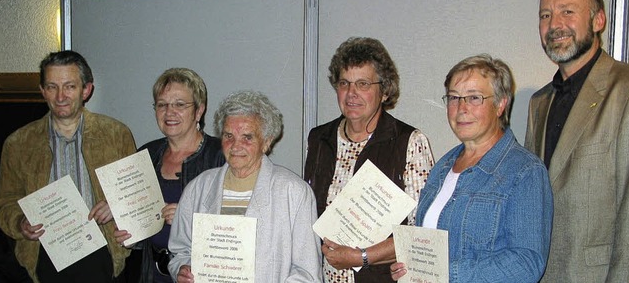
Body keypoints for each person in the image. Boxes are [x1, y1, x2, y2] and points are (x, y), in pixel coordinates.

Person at [391, 54, 553, 282]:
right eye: (454, 98)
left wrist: (447, 273)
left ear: (500, 104)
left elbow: (526, 264)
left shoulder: (525, 171)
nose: (461, 108)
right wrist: (409, 266)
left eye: (474, 98)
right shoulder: (442, 167)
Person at [524, 0, 629, 282]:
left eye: (567, 12)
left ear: (598, 20)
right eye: (545, 15)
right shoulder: (540, 102)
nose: (554, 24)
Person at [0, 50, 137, 282]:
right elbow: (5, 201)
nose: (60, 96)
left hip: (103, 250)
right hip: (44, 254)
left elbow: (136, 195)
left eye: (69, 86)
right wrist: (20, 222)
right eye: (52, 87)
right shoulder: (18, 143)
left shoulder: (117, 134)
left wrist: (116, 205)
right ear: (42, 91)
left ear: (86, 90)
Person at [303, 37, 434, 283]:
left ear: (384, 91)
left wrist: (361, 257)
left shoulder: (409, 142)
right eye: (344, 83)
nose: (351, 93)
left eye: (363, 84)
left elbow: (422, 233)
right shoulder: (319, 139)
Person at [168, 90, 322, 282]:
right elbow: (179, 251)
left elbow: (307, 273)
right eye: (228, 136)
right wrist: (181, 270)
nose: (235, 146)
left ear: (266, 142)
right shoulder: (198, 188)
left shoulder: (294, 192)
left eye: (247, 137)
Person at [113, 68, 225, 283]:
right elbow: (139, 221)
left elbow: (240, 225)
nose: (169, 112)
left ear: (199, 111)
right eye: (162, 105)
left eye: (180, 105)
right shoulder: (145, 155)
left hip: (197, 274)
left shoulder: (220, 156)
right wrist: (130, 235)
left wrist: (189, 220)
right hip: (150, 273)